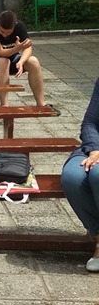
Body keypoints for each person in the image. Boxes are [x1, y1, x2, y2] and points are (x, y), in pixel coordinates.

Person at [60, 78, 99, 272]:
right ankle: (98, 238)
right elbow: (90, 122)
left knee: (97, 175)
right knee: (73, 177)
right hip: (94, 148)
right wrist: (95, 149)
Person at [0, 10, 48, 107]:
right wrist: (17, 48)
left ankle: (41, 102)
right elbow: (0, 52)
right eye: (2, 31)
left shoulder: (20, 26)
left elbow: (28, 48)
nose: (5, 35)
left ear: (15, 26)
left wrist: (21, 62)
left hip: (13, 59)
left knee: (33, 61)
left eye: (9, 32)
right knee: (3, 61)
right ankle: (4, 104)